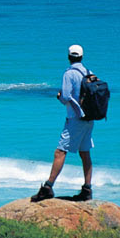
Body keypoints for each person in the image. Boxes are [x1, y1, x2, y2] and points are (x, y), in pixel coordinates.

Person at [31, 44, 94, 202]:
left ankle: (48, 187)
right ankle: (87, 189)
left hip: (75, 119)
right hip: (90, 118)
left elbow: (65, 97)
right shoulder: (89, 73)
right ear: (82, 57)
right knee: (85, 153)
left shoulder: (69, 73)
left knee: (60, 152)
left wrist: (59, 96)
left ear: (68, 57)